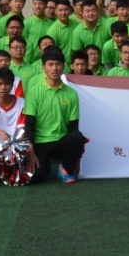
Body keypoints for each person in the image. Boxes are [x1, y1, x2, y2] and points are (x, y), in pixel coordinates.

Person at [23, 48, 85, 183]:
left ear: (63, 67)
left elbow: (73, 128)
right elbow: (29, 124)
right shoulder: (34, 92)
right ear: (43, 68)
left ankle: (65, 169)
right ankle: (46, 168)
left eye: (58, 64)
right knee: (33, 178)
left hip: (60, 142)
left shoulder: (71, 94)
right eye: (50, 64)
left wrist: (75, 159)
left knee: (77, 136)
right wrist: (30, 153)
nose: (54, 68)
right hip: (40, 143)